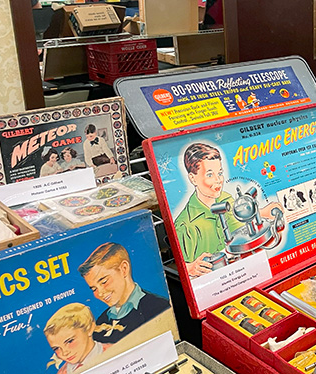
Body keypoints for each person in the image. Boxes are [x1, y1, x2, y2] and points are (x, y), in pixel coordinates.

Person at [173, 143, 244, 278]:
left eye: (220, 173)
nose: (218, 180)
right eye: (210, 174)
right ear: (193, 178)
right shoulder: (185, 226)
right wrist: (188, 268)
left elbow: (241, 231)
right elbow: (187, 271)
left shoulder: (226, 199)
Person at [78, 243, 171, 344]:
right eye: (94, 289)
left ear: (124, 269)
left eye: (104, 282)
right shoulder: (101, 321)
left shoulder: (158, 307)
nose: (100, 293)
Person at [44, 303, 111, 374]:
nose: (65, 353)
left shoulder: (112, 351)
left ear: (90, 329)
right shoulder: (63, 372)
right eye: (56, 348)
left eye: (70, 341)